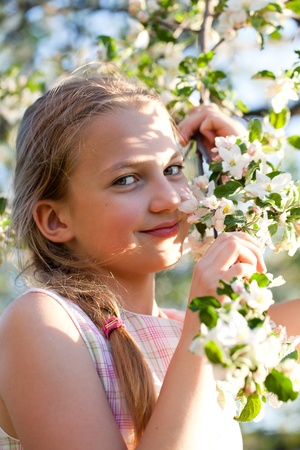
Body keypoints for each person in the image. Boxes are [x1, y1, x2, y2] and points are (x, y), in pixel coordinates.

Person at [0, 67, 268, 450]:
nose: (171, 200)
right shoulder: (43, 323)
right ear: (56, 219)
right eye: (126, 179)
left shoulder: (181, 326)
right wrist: (204, 326)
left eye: (173, 169)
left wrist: (248, 181)